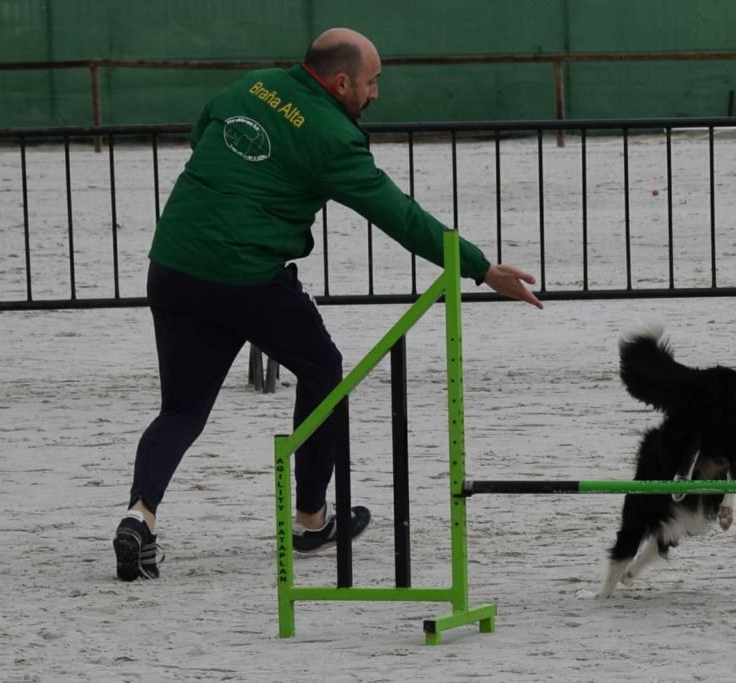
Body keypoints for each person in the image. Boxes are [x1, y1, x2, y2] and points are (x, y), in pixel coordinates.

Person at [112, 27, 543, 581]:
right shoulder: (332, 136)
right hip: (246, 275)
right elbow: (400, 216)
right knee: (324, 372)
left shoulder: (253, 86)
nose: (376, 94)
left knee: (182, 410)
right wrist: (481, 268)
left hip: (173, 266)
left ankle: (139, 517)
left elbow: (203, 136)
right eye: (372, 82)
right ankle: (313, 519)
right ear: (341, 82)